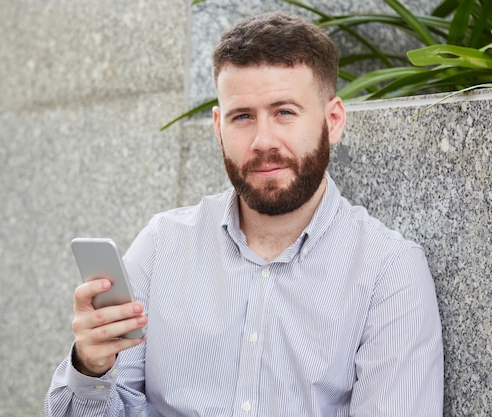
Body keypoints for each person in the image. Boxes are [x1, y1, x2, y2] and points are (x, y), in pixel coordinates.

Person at [45, 11, 443, 417]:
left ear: (333, 120)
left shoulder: (389, 271)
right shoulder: (162, 245)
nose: (263, 140)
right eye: (242, 116)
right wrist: (91, 368)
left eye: (285, 112)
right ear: (219, 127)